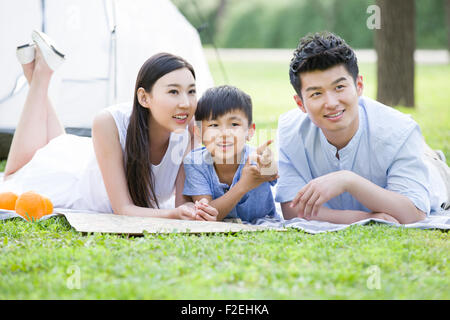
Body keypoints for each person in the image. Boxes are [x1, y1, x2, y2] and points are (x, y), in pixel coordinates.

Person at [1, 30, 217, 220]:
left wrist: (193, 208)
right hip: (72, 184)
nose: (185, 103)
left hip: (87, 160)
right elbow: (123, 209)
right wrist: (171, 214)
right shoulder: (110, 121)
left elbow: (182, 205)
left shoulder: (189, 130)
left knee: (60, 143)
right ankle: (39, 75)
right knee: (13, 175)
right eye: (173, 91)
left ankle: (36, 71)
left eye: (191, 91)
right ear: (144, 98)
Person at [276, 31, 449, 225]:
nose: (331, 103)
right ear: (300, 103)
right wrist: (366, 218)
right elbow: (293, 210)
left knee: (425, 160)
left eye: (339, 87)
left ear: (359, 86)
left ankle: (430, 156)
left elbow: (414, 215)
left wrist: (348, 181)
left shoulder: (400, 130)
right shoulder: (290, 130)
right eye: (316, 93)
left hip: (433, 177)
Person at [182, 85, 279, 222]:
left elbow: (273, 172)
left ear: (250, 131)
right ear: (198, 132)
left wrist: (267, 167)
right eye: (214, 125)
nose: (224, 134)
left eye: (234, 124)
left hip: (265, 221)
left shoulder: (255, 158)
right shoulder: (194, 162)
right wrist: (243, 185)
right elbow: (207, 215)